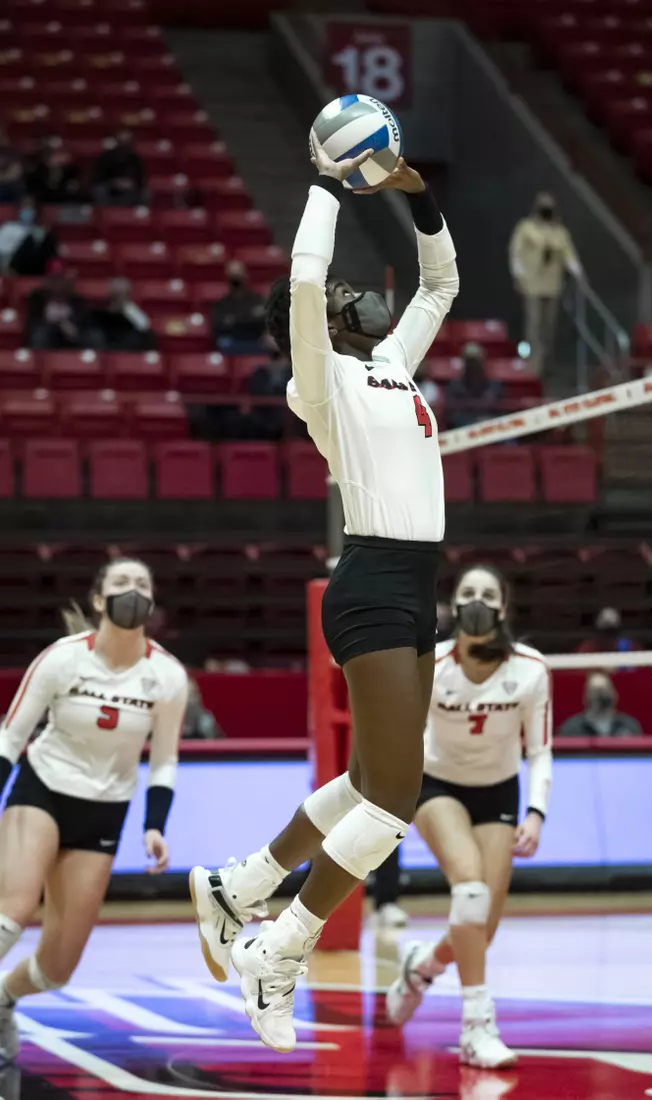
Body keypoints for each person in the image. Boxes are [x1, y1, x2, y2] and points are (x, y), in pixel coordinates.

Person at [189, 138, 459, 1054]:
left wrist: (417, 198)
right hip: (375, 580)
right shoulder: (323, 381)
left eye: (349, 293)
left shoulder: (390, 362)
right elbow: (306, 279)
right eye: (345, 294)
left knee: (371, 785)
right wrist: (324, 181)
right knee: (393, 801)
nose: (354, 292)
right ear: (326, 320)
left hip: (413, 585)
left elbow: (440, 288)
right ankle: (280, 945)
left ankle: (240, 883)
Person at [0, 558, 188, 1061]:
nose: (134, 591)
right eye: (122, 583)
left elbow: (165, 759)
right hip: (42, 790)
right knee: (12, 913)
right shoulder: (62, 658)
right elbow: (12, 735)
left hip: (104, 811)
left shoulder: (166, 675)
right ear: (99, 600)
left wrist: (155, 826)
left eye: (143, 584)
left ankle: (3, 1000)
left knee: (57, 968)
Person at [385, 565, 552, 1069]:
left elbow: (540, 750)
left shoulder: (530, 668)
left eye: (487, 594)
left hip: (498, 789)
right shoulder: (431, 662)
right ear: (453, 605)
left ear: (503, 607)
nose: (477, 601)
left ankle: (422, 965)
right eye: (467, 593)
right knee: (471, 891)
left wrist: (537, 812)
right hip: (436, 785)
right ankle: (477, 1027)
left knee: (483, 927)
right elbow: (403, 731)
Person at [509, 192, 583, 375]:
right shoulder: (526, 228)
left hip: (552, 286)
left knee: (548, 328)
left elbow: (569, 255)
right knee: (533, 325)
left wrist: (577, 271)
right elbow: (515, 253)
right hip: (532, 285)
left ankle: (547, 365)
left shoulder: (559, 232)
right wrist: (518, 275)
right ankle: (532, 365)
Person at [25, 260, 99, 349]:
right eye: (54, 279)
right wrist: (53, 323)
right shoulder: (38, 297)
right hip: (48, 332)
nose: (57, 283)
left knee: (94, 337)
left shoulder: (75, 299)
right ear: (47, 279)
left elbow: (85, 322)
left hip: (72, 333)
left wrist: (72, 327)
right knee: (40, 336)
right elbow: (32, 323)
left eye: (60, 278)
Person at [558, 671, 642, 738]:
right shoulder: (571, 729)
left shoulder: (629, 725)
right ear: (586, 697)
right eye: (596, 691)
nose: (602, 695)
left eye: (605, 689)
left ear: (614, 694)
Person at [210, 261, 267, 354]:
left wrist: (234, 321)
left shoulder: (258, 300)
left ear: (245, 276)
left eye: (238, 277)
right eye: (233, 278)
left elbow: (264, 321)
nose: (236, 282)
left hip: (256, 342)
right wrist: (249, 318)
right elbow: (217, 326)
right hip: (231, 344)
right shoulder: (221, 305)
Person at [444, 343, 502, 430]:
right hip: (464, 427)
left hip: (490, 424)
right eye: (469, 361)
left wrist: (486, 420)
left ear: (482, 362)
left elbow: (501, 411)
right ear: (464, 363)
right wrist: (473, 421)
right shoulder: (455, 386)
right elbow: (452, 415)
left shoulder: (494, 386)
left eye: (475, 361)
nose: (473, 365)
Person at [91, 277, 155, 351]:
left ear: (128, 294)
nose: (120, 298)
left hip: (128, 351)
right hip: (106, 349)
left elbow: (145, 327)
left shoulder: (133, 312)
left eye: (123, 294)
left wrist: (127, 308)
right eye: (116, 295)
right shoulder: (99, 312)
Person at [0, 197, 58, 277]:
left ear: (36, 211)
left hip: (31, 268)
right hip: (8, 267)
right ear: (19, 210)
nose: (27, 211)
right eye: (25, 207)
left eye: (30, 208)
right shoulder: (8, 228)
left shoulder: (40, 232)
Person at [91, 131, 146, 207]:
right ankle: (104, 214)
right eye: (122, 141)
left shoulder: (136, 159)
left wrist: (132, 183)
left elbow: (140, 179)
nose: (124, 145)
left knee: (145, 193)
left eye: (127, 142)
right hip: (109, 188)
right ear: (117, 142)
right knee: (99, 190)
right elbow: (97, 178)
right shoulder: (105, 157)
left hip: (130, 190)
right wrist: (113, 183)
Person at [25, 137, 84, 205]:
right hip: (43, 196)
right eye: (52, 154)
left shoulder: (69, 170)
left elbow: (73, 180)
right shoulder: (38, 170)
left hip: (62, 196)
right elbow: (32, 185)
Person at [182, 675, 223, 740]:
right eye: (188, 694)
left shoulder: (204, 717)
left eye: (193, 693)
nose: (191, 700)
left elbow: (217, 742)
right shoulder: (169, 716)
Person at [0, 128, 24, 204]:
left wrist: (4, 177)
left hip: (10, 184)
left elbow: (16, 171)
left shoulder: (12, 153)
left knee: (18, 187)